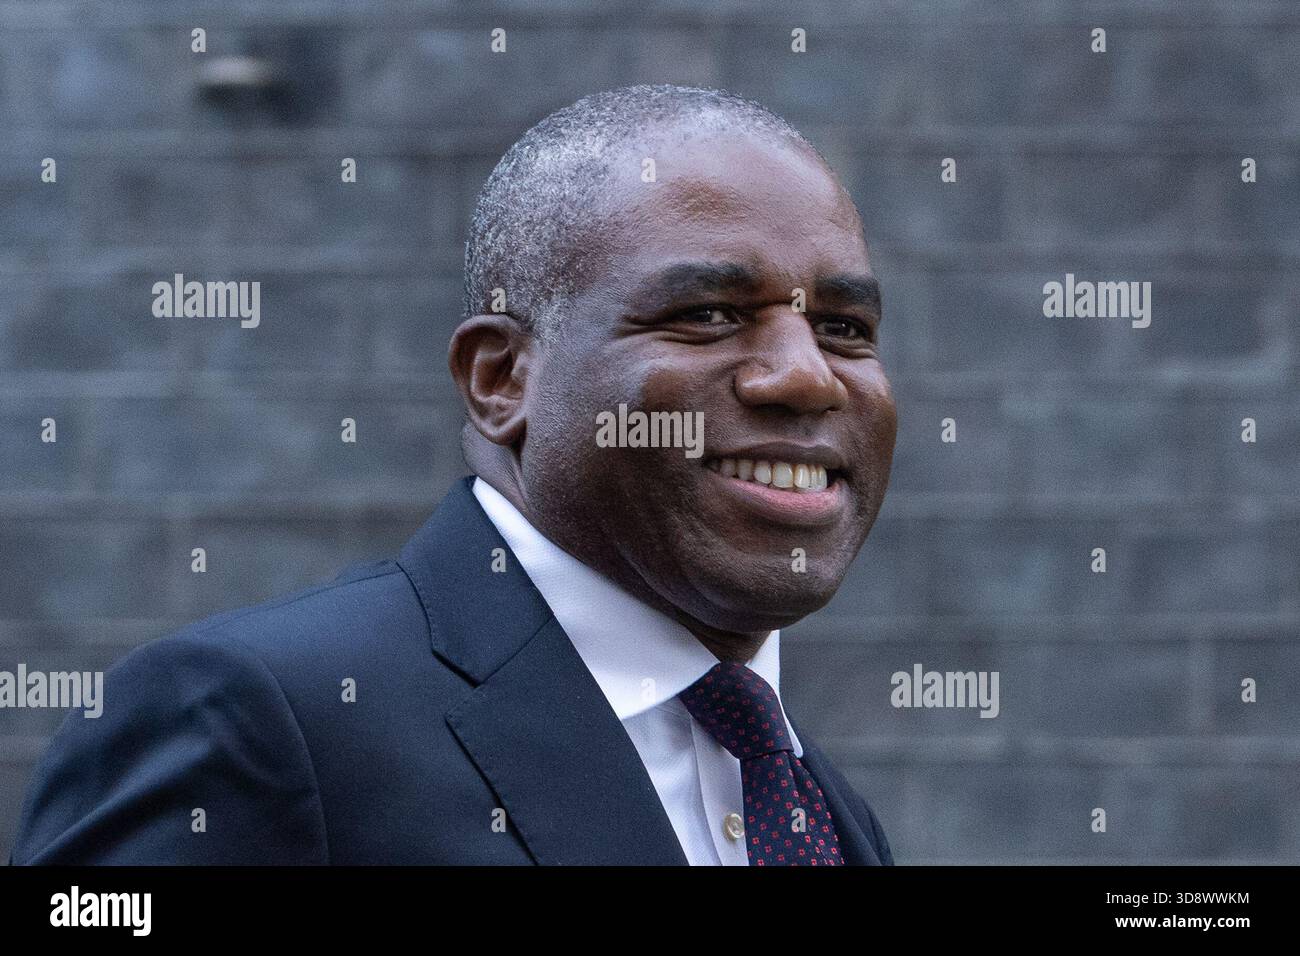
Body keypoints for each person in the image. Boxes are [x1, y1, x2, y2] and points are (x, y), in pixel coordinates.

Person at [12, 84, 897, 865]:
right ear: (501, 379)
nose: (807, 374)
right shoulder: (250, 721)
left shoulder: (819, 810)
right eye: (707, 313)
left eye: (846, 328)